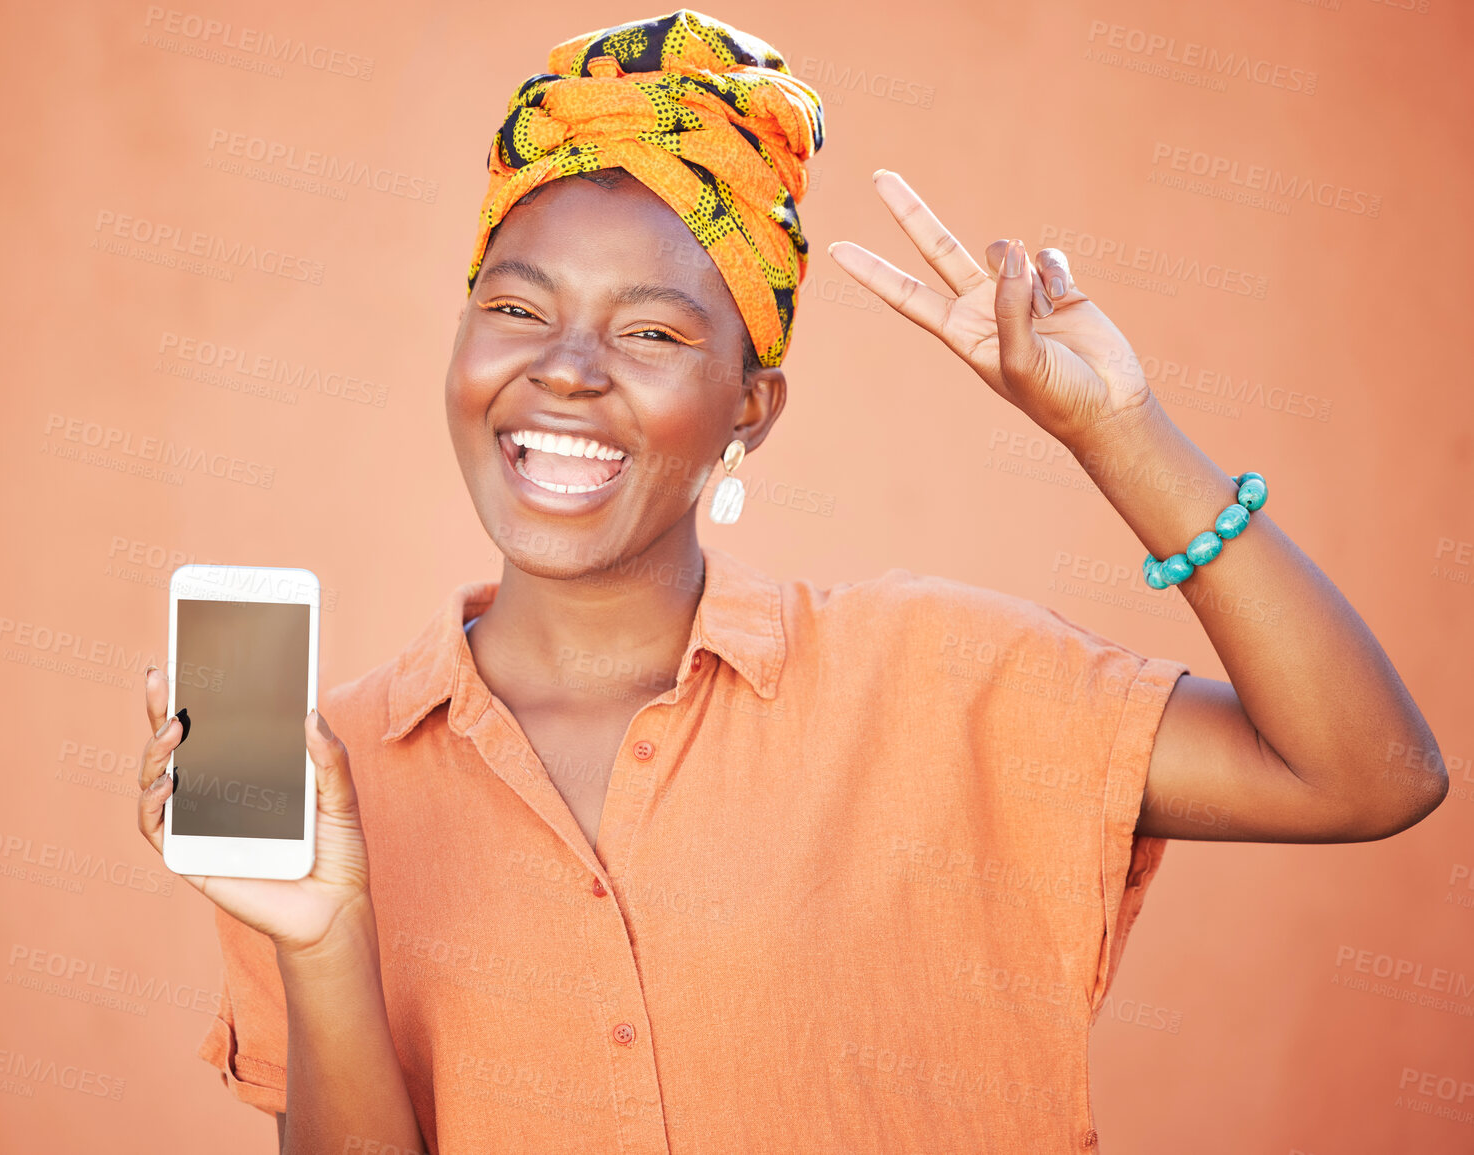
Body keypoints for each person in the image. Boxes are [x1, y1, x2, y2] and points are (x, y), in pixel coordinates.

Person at [131, 10, 1445, 1152]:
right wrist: (321, 939)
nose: (567, 371)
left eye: (652, 332)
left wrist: (1119, 429)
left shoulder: (941, 681)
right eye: (519, 311)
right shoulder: (322, 781)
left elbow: (1369, 772)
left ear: (749, 408)